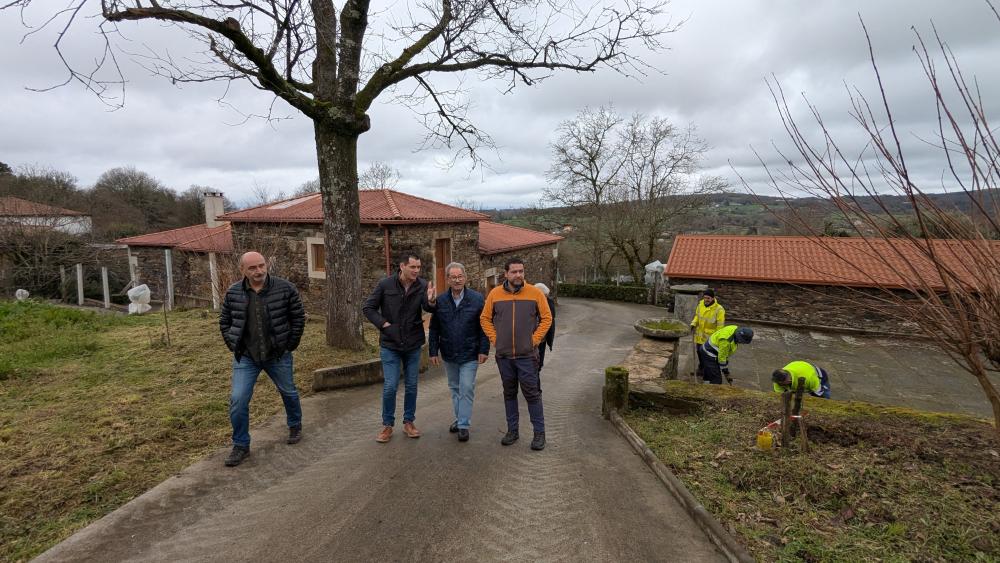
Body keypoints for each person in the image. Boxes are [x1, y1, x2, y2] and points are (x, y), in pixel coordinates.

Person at [219, 251, 306, 467]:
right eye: (252, 268)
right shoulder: (233, 293)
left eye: (261, 266)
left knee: (288, 391)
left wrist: (289, 345)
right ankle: (241, 445)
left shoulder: (285, 288)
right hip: (246, 357)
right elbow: (225, 322)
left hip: (277, 354)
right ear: (242, 271)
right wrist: (233, 345)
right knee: (238, 400)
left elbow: (298, 318)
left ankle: (295, 424)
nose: (259, 271)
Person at [363, 251, 437, 443]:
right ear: (402, 266)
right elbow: (368, 308)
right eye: (413, 267)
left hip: (413, 343)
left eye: (418, 267)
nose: (416, 271)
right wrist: (385, 325)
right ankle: (387, 425)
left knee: (411, 385)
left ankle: (409, 422)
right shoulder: (385, 285)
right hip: (390, 344)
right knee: (390, 386)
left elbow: (429, 309)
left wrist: (430, 300)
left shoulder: (422, 285)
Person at [480, 257, 552, 451]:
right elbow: (485, 319)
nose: (518, 275)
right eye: (514, 272)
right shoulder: (495, 294)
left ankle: (539, 434)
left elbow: (547, 318)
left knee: (532, 394)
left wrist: (534, 340)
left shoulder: (535, 293)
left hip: (527, 356)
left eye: (521, 271)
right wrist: (495, 339)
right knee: (509, 393)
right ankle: (513, 431)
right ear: (506, 274)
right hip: (504, 356)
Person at [428, 262, 490, 442]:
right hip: (448, 352)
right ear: (447, 279)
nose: (457, 280)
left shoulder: (477, 299)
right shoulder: (440, 301)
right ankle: (460, 418)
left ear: (465, 278)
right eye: (453, 277)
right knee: (454, 388)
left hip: (470, 353)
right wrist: (433, 351)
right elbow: (434, 329)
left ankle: (463, 425)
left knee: (466, 388)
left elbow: (484, 327)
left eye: (460, 276)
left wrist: (484, 349)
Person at [690, 288, 724, 379]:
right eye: (705, 298)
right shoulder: (700, 304)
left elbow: (720, 326)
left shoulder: (719, 309)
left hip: (710, 338)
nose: (706, 300)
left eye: (708, 298)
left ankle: (706, 371)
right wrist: (693, 323)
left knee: (707, 354)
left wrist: (717, 338)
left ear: (713, 298)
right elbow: (697, 316)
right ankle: (701, 368)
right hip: (700, 335)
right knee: (699, 352)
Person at [532, 283, 556, 371]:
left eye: (546, 296)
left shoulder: (549, 303)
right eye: (544, 296)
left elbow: (550, 321)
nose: (545, 297)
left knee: (538, 365)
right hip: (531, 340)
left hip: (541, 339)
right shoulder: (531, 303)